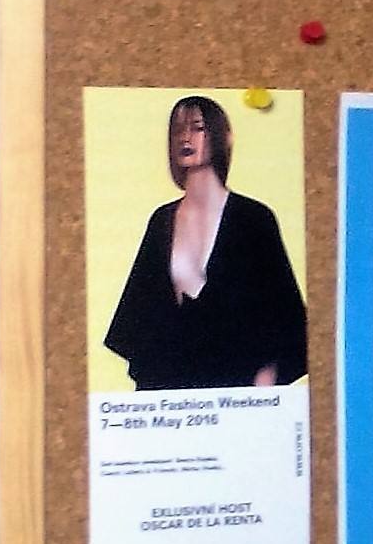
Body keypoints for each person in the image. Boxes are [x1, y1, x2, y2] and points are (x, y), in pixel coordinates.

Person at [103, 96, 307, 391]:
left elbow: (282, 323)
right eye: (178, 130)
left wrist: (260, 399)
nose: (185, 137)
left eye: (197, 128)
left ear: (221, 136)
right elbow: (141, 323)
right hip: (171, 394)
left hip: (237, 392)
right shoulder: (161, 221)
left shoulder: (253, 219)